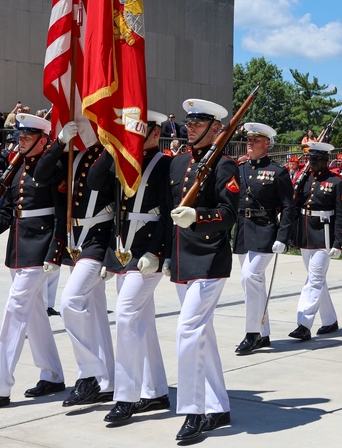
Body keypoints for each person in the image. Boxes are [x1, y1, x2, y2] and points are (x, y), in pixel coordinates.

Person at [0, 113, 65, 410]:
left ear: (42, 140)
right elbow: (9, 210)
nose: (19, 141)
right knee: (34, 314)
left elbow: (62, 214)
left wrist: (55, 252)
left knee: (15, 311)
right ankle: (52, 374)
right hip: (19, 249)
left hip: (40, 248)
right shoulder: (17, 167)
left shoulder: (54, 168)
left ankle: (0, 385)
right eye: (18, 137)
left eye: (25, 137)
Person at [88, 111, 173, 426]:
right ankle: (156, 390)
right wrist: (112, 147)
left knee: (125, 315)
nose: (132, 137)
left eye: (138, 131)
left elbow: (167, 212)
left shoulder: (164, 164)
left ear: (154, 132)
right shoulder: (122, 160)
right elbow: (96, 186)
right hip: (123, 253)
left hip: (146, 254)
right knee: (142, 321)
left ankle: (127, 396)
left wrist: (157, 252)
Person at [167, 98, 238, 440]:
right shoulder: (178, 163)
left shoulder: (225, 166)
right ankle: (219, 406)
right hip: (182, 258)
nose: (189, 126)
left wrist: (199, 217)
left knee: (188, 330)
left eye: (198, 123)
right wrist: (165, 254)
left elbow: (229, 215)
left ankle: (193, 410)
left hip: (210, 258)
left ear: (215, 129)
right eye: (189, 121)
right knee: (202, 334)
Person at [35, 123, 116, 407]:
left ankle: (89, 374)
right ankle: (108, 380)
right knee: (94, 312)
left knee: (70, 302)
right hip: (75, 239)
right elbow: (41, 174)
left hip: (98, 238)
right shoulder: (74, 156)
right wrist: (58, 143)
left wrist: (111, 254)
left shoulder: (111, 155)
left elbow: (106, 191)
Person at [232, 123, 296, 355]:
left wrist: (283, 237)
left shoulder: (277, 172)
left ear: (267, 143)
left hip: (265, 229)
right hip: (243, 229)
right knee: (254, 283)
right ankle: (264, 332)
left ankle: (251, 334)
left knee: (250, 277)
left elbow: (289, 207)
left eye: (255, 139)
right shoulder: (240, 169)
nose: (250, 142)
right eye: (249, 139)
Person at [289, 141, 342, 341]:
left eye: (316, 158)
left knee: (314, 279)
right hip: (306, 233)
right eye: (310, 158)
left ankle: (304, 323)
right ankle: (330, 320)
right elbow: (297, 206)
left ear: (326, 160)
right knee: (318, 279)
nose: (312, 162)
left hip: (324, 235)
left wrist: (339, 241)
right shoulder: (305, 179)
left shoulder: (336, 182)